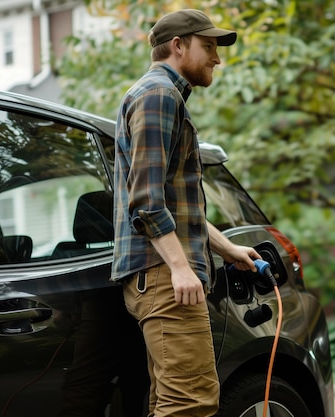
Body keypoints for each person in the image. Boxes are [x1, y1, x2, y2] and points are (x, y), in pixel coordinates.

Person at [111, 9, 260, 417]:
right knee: (190, 403)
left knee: (171, 402)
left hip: (159, 275)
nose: (216, 57)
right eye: (208, 46)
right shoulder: (158, 95)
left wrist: (227, 248)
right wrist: (180, 267)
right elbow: (145, 201)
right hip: (164, 276)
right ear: (178, 46)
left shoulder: (161, 95)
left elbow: (172, 202)